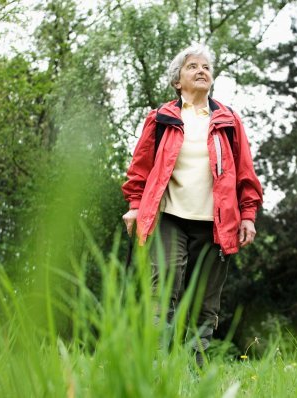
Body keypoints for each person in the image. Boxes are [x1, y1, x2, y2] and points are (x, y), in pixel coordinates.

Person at [121, 44, 263, 367]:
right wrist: (134, 205)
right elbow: (140, 168)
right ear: (177, 80)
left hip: (216, 224)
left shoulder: (227, 120)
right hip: (170, 218)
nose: (201, 71)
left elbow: (245, 172)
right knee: (163, 294)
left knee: (204, 302)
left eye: (206, 67)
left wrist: (248, 215)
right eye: (192, 67)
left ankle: (195, 372)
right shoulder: (162, 118)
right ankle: (158, 369)